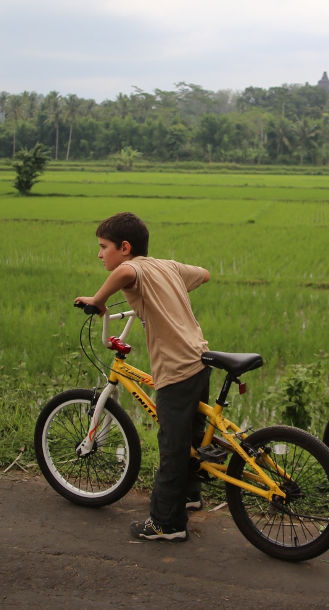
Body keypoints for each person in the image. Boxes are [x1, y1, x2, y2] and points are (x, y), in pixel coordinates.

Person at [74, 212, 211, 543]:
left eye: (103, 247)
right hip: (199, 358)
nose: (99, 253)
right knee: (191, 436)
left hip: (175, 368)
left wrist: (98, 300)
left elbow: (126, 271)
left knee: (172, 446)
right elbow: (204, 274)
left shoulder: (131, 268)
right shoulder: (168, 267)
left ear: (124, 247)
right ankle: (190, 495)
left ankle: (167, 523)